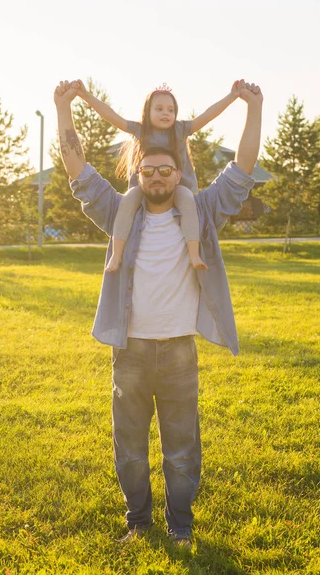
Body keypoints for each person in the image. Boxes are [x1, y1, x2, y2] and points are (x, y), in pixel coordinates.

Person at [54, 78, 263, 547]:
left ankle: (181, 528)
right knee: (129, 450)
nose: (158, 176)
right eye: (149, 170)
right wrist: (63, 109)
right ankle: (138, 522)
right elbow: (78, 171)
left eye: (166, 170)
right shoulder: (117, 213)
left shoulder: (202, 212)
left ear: (179, 173)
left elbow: (241, 169)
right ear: (138, 172)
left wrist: (253, 108)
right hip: (128, 350)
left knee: (182, 450)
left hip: (178, 353)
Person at [71, 78, 245, 272]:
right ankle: (116, 255)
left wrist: (231, 97)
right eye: (160, 109)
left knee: (188, 202)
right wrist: (86, 96)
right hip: (143, 185)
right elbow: (112, 116)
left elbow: (207, 116)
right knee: (127, 202)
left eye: (171, 110)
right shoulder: (140, 130)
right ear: (147, 112)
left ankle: (194, 254)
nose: (166, 113)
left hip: (179, 186)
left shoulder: (180, 129)